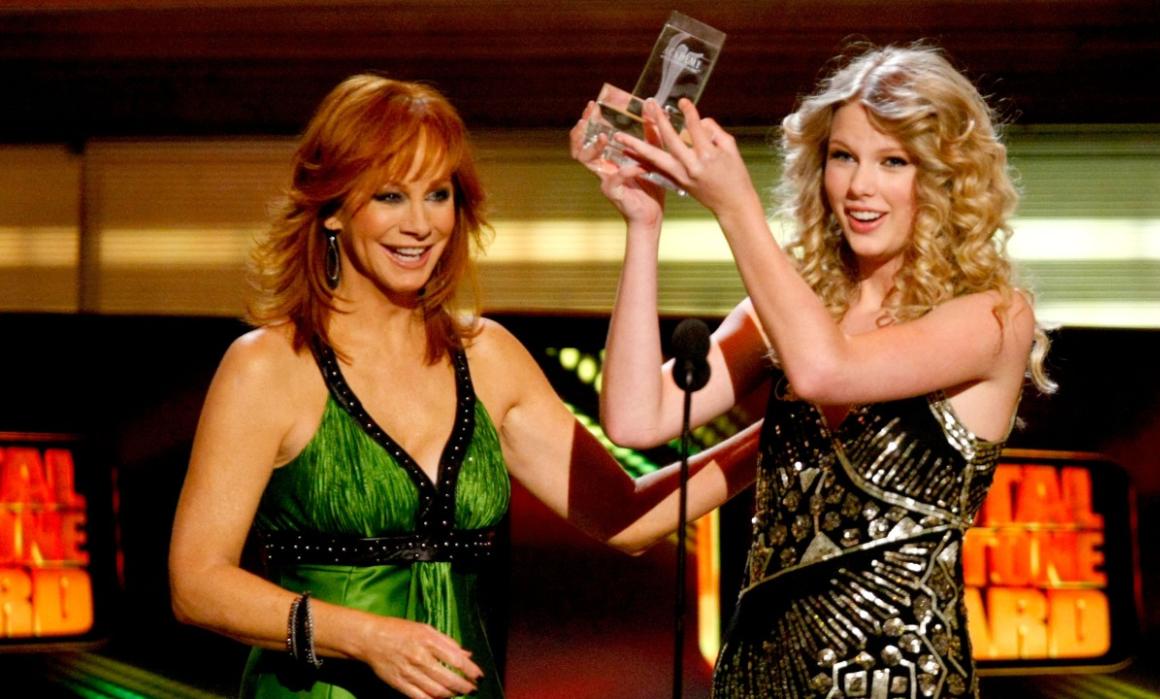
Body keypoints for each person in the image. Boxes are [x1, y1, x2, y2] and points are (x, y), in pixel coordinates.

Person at [168, 74, 760, 699]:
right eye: (391, 196)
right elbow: (196, 583)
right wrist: (367, 637)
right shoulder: (268, 366)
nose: (420, 224)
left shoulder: (488, 357)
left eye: (438, 195)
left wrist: (784, 437)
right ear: (336, 208)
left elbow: (626, 518)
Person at [571, 44, 1055, 698]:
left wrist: (735, 206)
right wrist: (644, 223)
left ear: (945, 177)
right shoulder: (793, 309)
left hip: (898, 680)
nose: (860, 187)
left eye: (894, 162)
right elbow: (636, 415)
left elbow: (827, 371)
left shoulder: (993, 317)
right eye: (843, 156)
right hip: (757, 673)